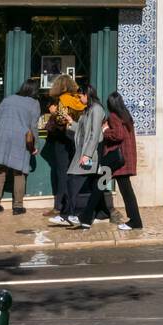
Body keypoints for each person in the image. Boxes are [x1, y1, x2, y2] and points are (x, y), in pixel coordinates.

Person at [52, 85, 107, 227]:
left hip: (89, 153)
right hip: (81, 152)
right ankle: (95, 212)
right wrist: (71, 122)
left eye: (80, 96)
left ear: (87, 95)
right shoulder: (87, 110)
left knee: (73, 182)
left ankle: (69, 214)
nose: (79, 98)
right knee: (78, 182)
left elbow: (95, 134)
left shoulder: (97, 109)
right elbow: (83, 131)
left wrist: (87, 155)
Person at [0, 79, 41, 215]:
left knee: (0, 170)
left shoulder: (8, 99)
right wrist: (36, 144)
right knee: (19, 172)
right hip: (20, 139)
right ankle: (17, 207)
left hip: (2, 137)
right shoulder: (34, 104)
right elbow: (33, 126)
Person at [101, 91, 142, 230]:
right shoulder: (126, 116)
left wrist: (105, 130)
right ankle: (135, 221)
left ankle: (135, 221)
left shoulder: (113, 116)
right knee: (127, 191)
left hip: (119, 160)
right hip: (127, 157)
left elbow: (118, 135)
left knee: (126, 192)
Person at [41, 98, 74, 217]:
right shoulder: (61, 115)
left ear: (54, 105)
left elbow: (51, 129)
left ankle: (60, 206)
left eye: (50, 106)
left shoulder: (60, 116)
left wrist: (54, 116)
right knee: (62, 176)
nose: (49, 109)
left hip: (62, 150)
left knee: (62, 177)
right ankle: (62, 205)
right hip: (60, 150)